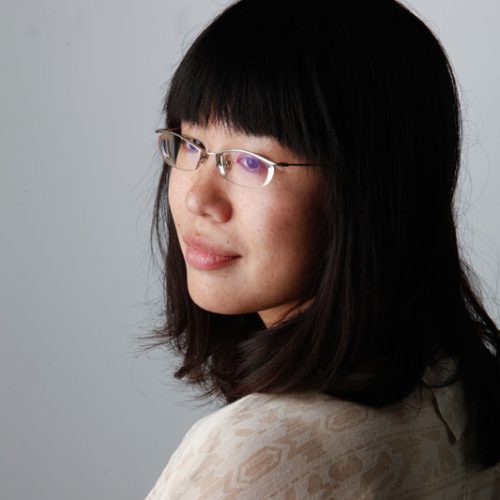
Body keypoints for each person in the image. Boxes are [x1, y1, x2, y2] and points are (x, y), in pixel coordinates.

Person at [142, 0, 500, 497]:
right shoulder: (464, 391)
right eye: (190, 144)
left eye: (250, 162)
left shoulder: (251, 458)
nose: (196, 198)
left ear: (367, 191)